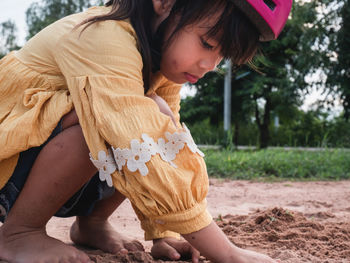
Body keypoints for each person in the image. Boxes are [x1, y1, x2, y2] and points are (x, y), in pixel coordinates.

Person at [0, 0, 292, 262]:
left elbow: (164, 147)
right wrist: (226, 253)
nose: (209, 65)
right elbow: (135, 134)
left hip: (39, 160)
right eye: (206, 42)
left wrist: (162, 232)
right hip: (9, 156)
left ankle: (92, 222)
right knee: (115, 122)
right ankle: (19, 233)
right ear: (165, 3)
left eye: (222, 55)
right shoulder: (105, 35)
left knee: (152, 120)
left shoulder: (160, 63)